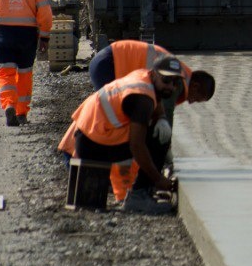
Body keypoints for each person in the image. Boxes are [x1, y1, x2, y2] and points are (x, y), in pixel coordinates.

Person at [60, 40, 215, 204]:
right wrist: (159, 174)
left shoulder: (151, 75)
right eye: (197, 99)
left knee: (115, 122)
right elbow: (139, 142)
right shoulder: (161, 89)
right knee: (148, 136)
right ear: (195, 86)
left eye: (174, 83)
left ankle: (123, 187)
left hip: (88, 130)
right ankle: (129, 193)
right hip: (109, 64)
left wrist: (161, 123)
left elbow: (160, 110)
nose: (191, 102)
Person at [67, 55, 186, 215]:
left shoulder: (143, 77)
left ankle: (144, 191)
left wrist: (162, 118)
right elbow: (136, 146)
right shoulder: (142, 99)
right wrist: (158, 179)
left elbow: (156, 100)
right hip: (93, 146)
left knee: (159, 127)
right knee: (159, 137)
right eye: (166, 80)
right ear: (155, 74)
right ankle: (139, 196)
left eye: (176, 83)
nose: (171, 87)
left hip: (89, 137)